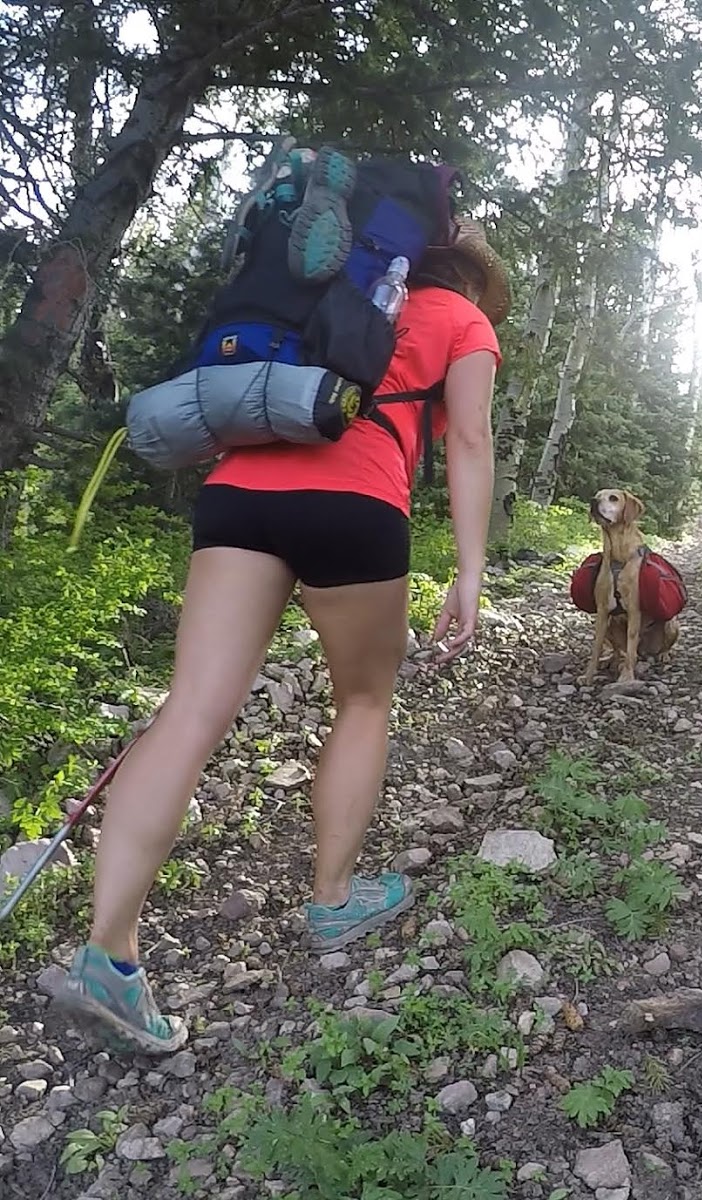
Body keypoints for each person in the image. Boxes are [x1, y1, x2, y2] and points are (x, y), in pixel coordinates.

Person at [52, 220, 512, 1054]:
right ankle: (333, 900)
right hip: (357, 504)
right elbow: (471, 440)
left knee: (190, 710)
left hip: (241, 493)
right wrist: (471, 573)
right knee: (366, 700)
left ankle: (108, 953)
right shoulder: (462, 318)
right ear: (472, 273)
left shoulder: (310, 289)